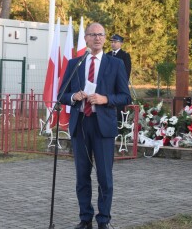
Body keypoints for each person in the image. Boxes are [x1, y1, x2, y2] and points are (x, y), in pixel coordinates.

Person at [59, 22, 131, 229]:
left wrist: (105, 99)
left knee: (104, 176)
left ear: (104, 38)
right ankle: (85, 219)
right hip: (80, 124)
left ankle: (104, 220)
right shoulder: (75, 64)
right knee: (82, 175)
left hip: (103, 126)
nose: (97, 38)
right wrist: (74, 96)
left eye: (101, 35)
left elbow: (125, 96)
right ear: (86, 39)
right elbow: (61, 94)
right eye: (93, 34)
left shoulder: (115, 64)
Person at [106, 34, 132, 123]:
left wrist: (122, 84)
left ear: (121, 43)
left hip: (119, 86)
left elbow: (127, 71)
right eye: (112, 42)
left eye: (115, 42)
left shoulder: (125, 56)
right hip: (108, 86)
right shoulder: (107, 55)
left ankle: (120, 125)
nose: (113, 44)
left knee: (119, 109)